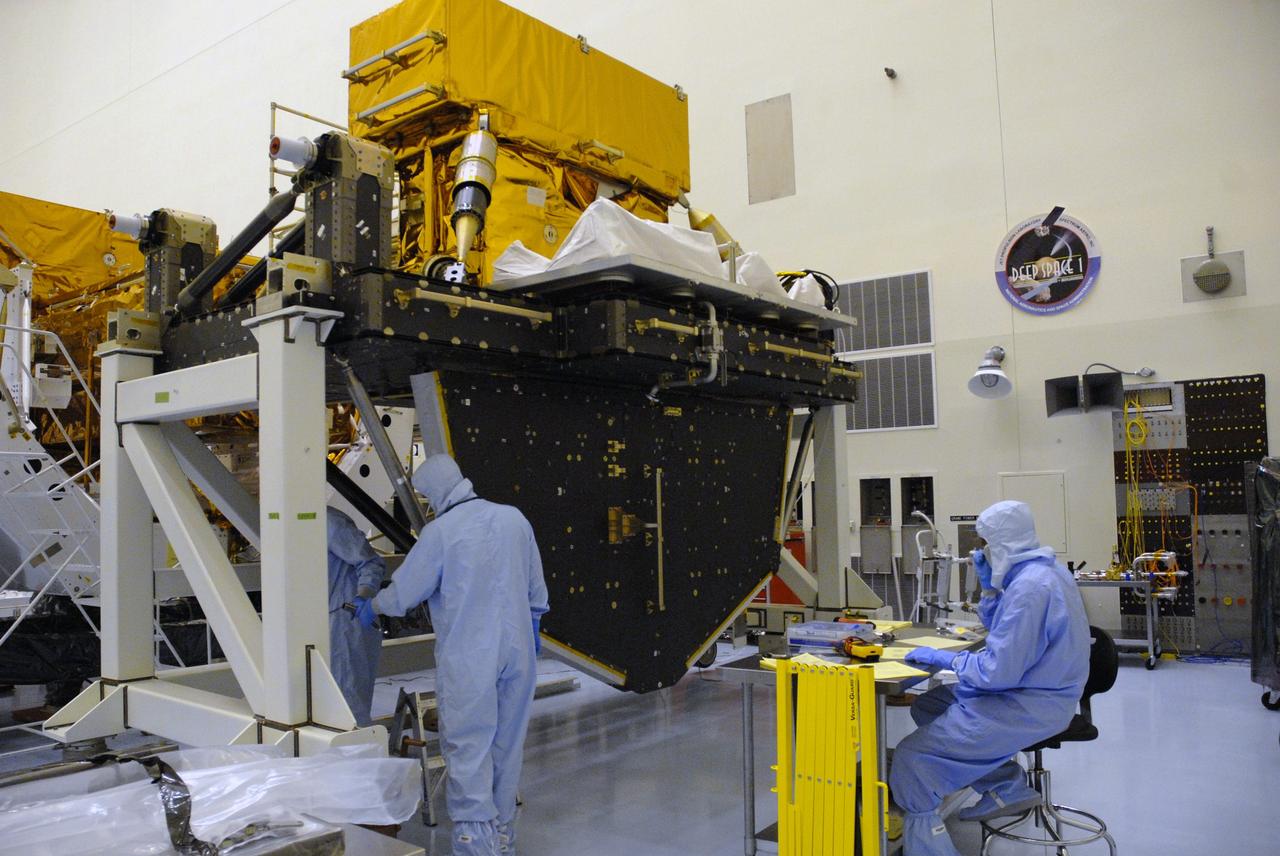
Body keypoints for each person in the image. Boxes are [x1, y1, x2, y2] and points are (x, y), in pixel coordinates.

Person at [357, 454, 549, 856]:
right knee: (507, 746)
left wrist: (372, 606)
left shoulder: (442, 533)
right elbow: (536, 592)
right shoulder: (514, 519)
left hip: (470, 657)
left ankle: (474, 844)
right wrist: (530, 631)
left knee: (468, 746)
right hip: (519, 652)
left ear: (435, 493)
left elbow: (405, 593)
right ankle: (502, 839)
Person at [890, 500, 1090, 856]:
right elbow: (1007, 635)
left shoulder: (1032, 588)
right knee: (930, 705)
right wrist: (992, 591)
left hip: (1028, 705)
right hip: (1038, 693)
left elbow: (997, 672)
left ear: (1003, 544)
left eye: (987, 543)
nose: (982, 550)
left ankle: (926, 843)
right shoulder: (1043, 572)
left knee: (911, 760)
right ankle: (1006, 786)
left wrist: (944, 659)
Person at [326, 507, 386, 728]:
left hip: (344, 619)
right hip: (320, 620)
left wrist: (363, 596)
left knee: (348, 703)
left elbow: (371, 563)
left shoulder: (329, 522)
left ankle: (358, 758)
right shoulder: (290, 522)